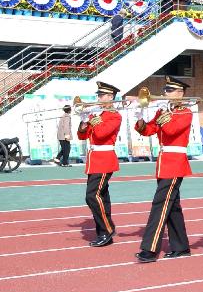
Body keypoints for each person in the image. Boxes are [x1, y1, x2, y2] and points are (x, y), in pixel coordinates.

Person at [133, 76, 194, 262]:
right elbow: (148, 130)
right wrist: (141, 118)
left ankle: (150, 249)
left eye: (169, 90)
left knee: (160, 205)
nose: (165, 93)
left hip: (175, 162)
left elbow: (171, 131)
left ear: (180, 93)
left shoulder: (185, 112)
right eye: (166, 90)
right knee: (173, 206)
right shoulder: (164, 111)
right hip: (164, 161)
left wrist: (163, 116)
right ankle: (181, 246)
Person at [76, 83, 122, 246]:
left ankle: (107, 230)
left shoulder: (114, 116)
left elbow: (102, 134)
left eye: (102, 95)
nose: (99, 98)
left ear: (111, 97)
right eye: (99, 95)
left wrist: (94, 118)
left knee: (92, 196)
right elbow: (82, 136)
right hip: (94, 158)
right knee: (102, 197)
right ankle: (104, 231)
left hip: (104, 158)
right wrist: (83, 121)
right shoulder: (98, 114)